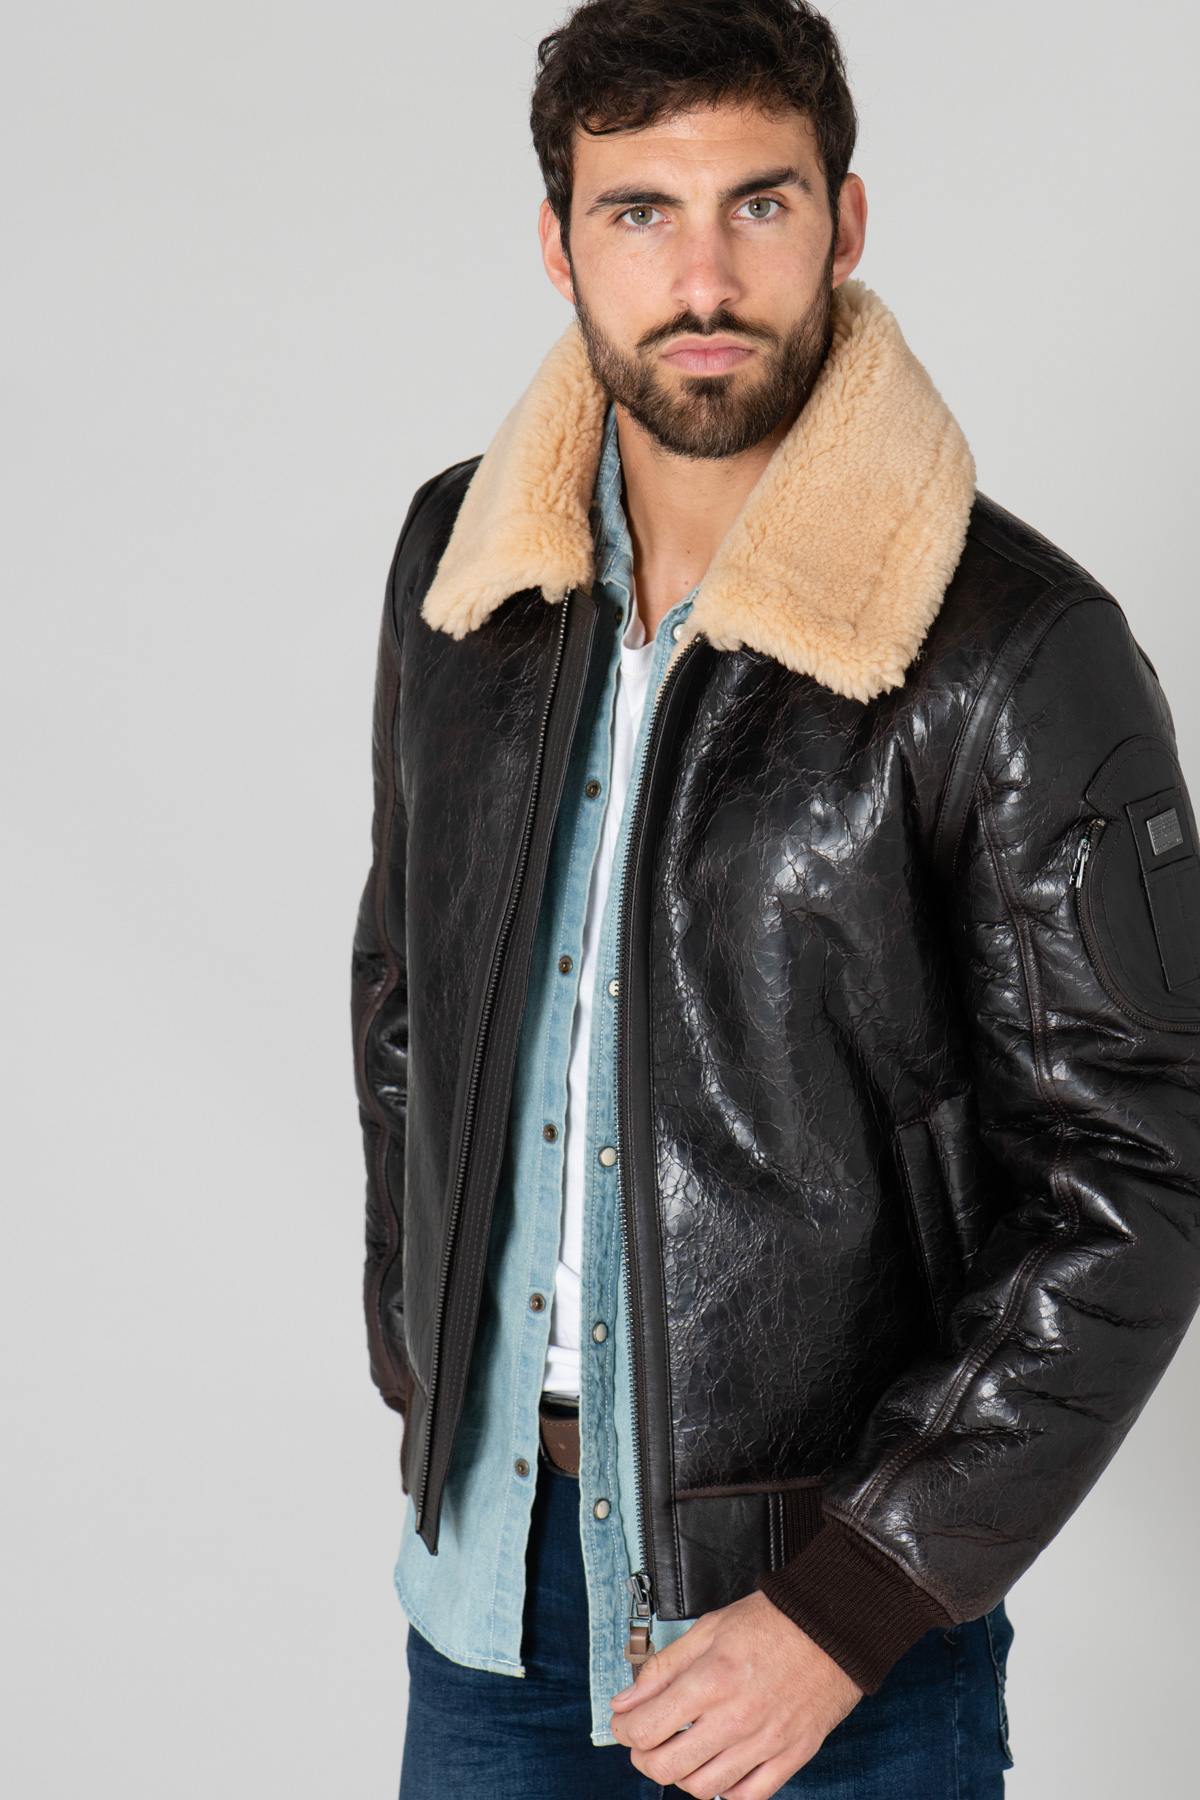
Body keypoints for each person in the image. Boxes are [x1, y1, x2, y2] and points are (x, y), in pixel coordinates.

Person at [350, 3, 1200, 1794]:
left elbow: (1141, 1170)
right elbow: (404, 1000)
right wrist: (427, 1371)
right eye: (640, 211)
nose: (704, 278)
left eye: (760, 202)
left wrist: (850, 1602)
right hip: (489, 1606)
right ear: (559, 241)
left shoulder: (1014, 649)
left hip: (824, 1637)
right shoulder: (463, 568)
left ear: (846, 222)